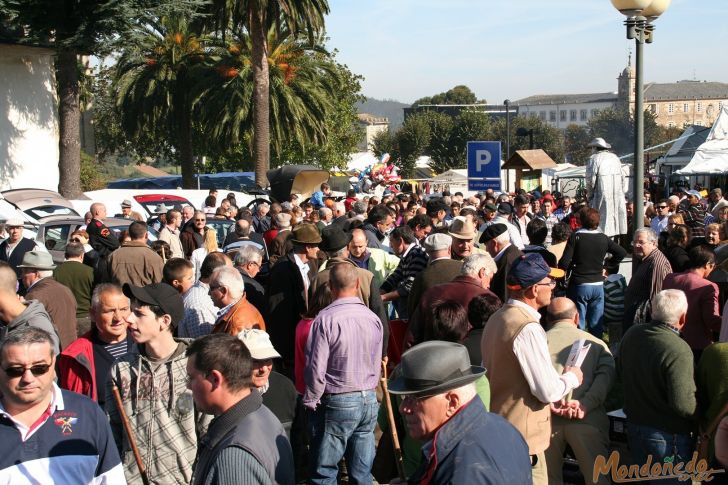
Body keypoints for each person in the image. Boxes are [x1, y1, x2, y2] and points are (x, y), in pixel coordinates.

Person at [482, 253, 583, 485]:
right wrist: (572, 378)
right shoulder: (527, 327)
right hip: (523, 442)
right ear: (533, 290)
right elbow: (546, 390)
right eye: (550, 282)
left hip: (502, 430)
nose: (553, 287)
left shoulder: (498, 317)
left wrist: (552, 400)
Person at [106, 282, 209, 484]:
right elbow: (113, 431)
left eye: (139, 314)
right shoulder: (121, 369)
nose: (128, 319)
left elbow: (209, 432)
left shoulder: (196, 367)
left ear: (164, 321)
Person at [388, 341, 532, 484]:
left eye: (414, 398)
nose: (403, 408)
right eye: (404, 397)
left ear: (452, 401)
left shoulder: (462, 471)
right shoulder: (505, 428)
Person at [0, 327, 125, 483]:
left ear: (53, 364)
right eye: (16, 370)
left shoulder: (88, 413)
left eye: (39, 368)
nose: (28, 378)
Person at [303, 263, 383, 484]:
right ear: (358, 285)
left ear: (330, 286)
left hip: (338, 397)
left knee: (325, 471)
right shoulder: (372, 318)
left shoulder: (324, 319)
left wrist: (312, 399)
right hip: (367, 397)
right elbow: (376, 361)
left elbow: (315, 367)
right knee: (362, 472)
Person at [186, 333, 294, 485]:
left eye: (191, 378)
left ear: (215, 379)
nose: (188, 386)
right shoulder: (262, 415)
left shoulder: (233, 455)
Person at [618, 289, 697, 482]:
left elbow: (619, 373)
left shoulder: (632, 334)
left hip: (635, 426)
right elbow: (683, 405)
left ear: (653, 311)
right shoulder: (678, 349)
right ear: (683, 318)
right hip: (667, 435)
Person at [544, 297, 615, 485]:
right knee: (597, 479)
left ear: (548, 319)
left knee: (548, 479)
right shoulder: (597, 344)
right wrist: (585, 404)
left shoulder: (539, 342)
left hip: (546, 422)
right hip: (587, 420)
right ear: (577, 318)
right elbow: (605, 379)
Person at [57, 283, 135, 408]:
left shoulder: (145, 345)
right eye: (109, 311)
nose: (118, 317)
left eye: (124, 309)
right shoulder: (76, 356)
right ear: (93, 314)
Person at [558, 207, 627, 337]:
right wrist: (607, 266)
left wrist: (562, 277)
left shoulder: (576, 236)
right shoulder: (603, 238)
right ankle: (596, 351)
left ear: (581, 221)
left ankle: (578, 351)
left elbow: (564, 263)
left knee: (579, 323)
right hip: (598, 285)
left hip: (579, 285)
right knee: (596, 324)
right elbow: (621, 252)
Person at [408, 253, 499, 347]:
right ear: (482, 272)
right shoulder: (488, 297)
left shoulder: (432, 292)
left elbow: (413, 335)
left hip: (430, 355)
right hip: (469, 358)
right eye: (490, 279)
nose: (489, 285)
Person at [266, 224, 320, 375]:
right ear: (308, 247)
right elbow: (278, 312)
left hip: (304, 339)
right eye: (316, 246)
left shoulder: (311, 265)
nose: (318, 250)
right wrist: (286, 352)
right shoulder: (282, 270)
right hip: (290, 346)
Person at [662, 245, 722, 360]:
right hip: (697, 346)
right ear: (707, 265)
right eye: (712, 267)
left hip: (670, 340)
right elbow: (711, 320)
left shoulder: (670, 278)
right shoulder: (708, 287)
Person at [237, 329, 298, 438]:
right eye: (256, 361)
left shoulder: (285, 387)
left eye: (268, 360)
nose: (264, 369)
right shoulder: (225, 393)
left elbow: (298, 435)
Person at [20, 250, 77, 349]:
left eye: (24, 271)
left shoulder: (34, 295)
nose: (22, 276)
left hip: (53, 351)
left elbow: (29, 330)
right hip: (71, 349)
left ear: (36, 273)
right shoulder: (65, 289)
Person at [623, 228, 672, 330]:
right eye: (635, 242)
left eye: (641, 242)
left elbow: (656, 298)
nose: (636, 245)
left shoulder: (657, 263)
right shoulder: (645, 258)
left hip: (643, 322)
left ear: (653, 243)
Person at [406, 233, 463, 317]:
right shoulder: (463, 268)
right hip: (462, 323)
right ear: (449, 248)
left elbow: (413, 308)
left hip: (431, 326)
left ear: (427, 252)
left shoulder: (422, 276)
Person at [381, 225, 428, 320]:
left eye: (392, 241)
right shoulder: (408, 255)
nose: (390, 246)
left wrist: (383, 297)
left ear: (400, 241)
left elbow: (409, 286)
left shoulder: (417, 255)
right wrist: (381, 291)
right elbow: (396, 275)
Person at [178, 252, 229, 339]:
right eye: (229, 271)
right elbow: (205, 345)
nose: (232, 275)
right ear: (216, 274)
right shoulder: (200, 306)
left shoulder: (201, 293)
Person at [584, 137, 628, 238]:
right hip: (617, 196)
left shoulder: (593, 159)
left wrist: (590, 197)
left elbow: (590, 180)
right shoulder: (615, 158)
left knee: (600, 225)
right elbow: (623, 179)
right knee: (613, 225)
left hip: (601, 196)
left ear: (595, 147)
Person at [53, 241, 94, 336]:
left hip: (63, 317)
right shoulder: (90, 271)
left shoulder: (56, 271)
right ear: (82, 255)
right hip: (85, 317)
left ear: (66, 255)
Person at [210, 265, 265, 335]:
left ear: (223, 291)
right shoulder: (241, 308)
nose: (209, 293)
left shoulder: (236, 325)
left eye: (211, 288)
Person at [107, 220, 164, 287]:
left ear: (130, 235)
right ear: (146, 235)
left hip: (120, 295)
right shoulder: (154, 257)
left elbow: (107, 283)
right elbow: (160, 285)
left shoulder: (113, 255)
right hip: (145, 296)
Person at [480, 223, 523, 302]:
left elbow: (504, 295)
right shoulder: (515, 253)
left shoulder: (505, 262)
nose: (486, 250)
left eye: (486, 245)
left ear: (494, 243)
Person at [233, 245, 266, 315]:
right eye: (259, 267)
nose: (258, 271)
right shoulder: (255, 288)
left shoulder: (224, 275)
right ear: (250, 264)